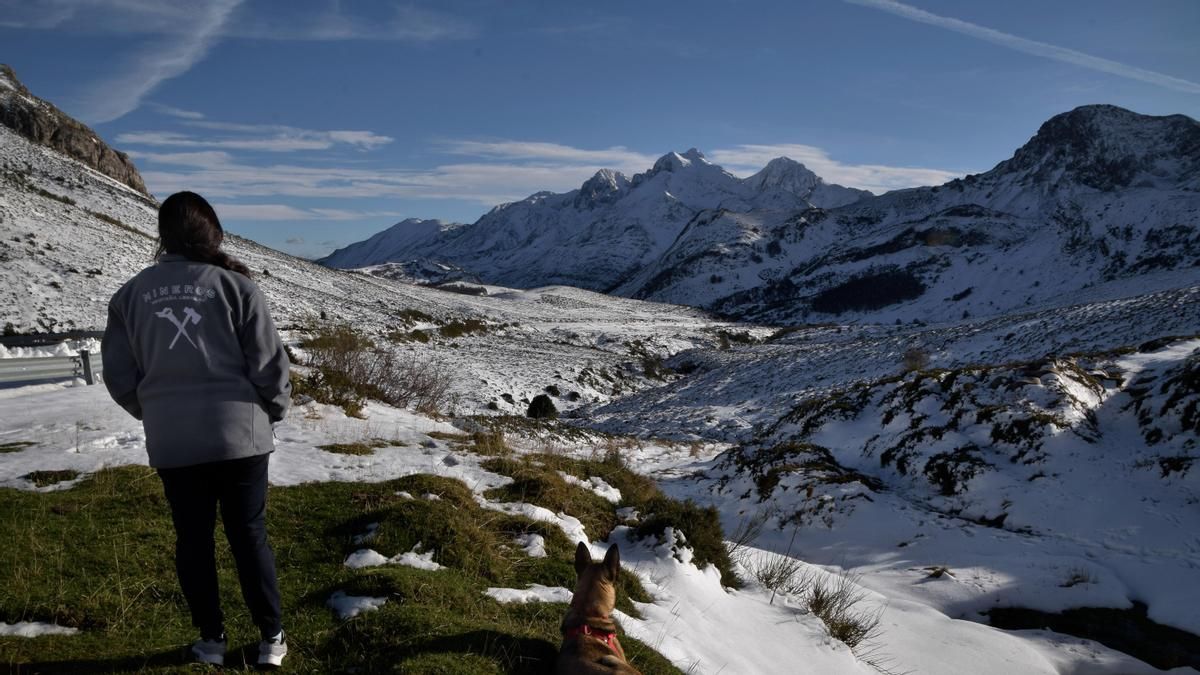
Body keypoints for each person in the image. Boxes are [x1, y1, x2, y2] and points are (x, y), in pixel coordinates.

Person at [102, 191, 291, 668]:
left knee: (193, 538)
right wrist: (272, 410)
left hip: (174, 440)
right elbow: (269, 366)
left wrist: (155, 412)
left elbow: (119, 376)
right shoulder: (236, 287)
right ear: (213, 232)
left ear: (162, 236)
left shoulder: (130, 295)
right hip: (240, 435)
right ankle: (271, 638)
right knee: (249, 535)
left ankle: (211, 639)